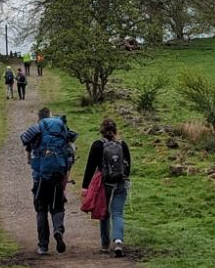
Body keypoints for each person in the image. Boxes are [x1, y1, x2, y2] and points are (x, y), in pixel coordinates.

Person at [20, 107, 77, 254]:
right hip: (58, 173)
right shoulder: (61, 126)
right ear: (50, 116)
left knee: (41, 209)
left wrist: (33, 145)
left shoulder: (38, 127)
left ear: (39, 117)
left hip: (40, 176)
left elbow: (24, 138)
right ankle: (58, 230)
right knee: (58, 207)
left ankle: (43, 246)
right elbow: (72, 141)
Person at [81, 117, 132, 254]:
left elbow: (90, 167)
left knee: (104, 212)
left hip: (104, 185)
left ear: (101, 131)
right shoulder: (123, 145)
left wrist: (85, 187)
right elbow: (127, 167)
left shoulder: (97, 145)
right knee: (117, 213)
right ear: (116, 130)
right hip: (120, 184)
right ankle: (118, 241)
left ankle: (105, 244)